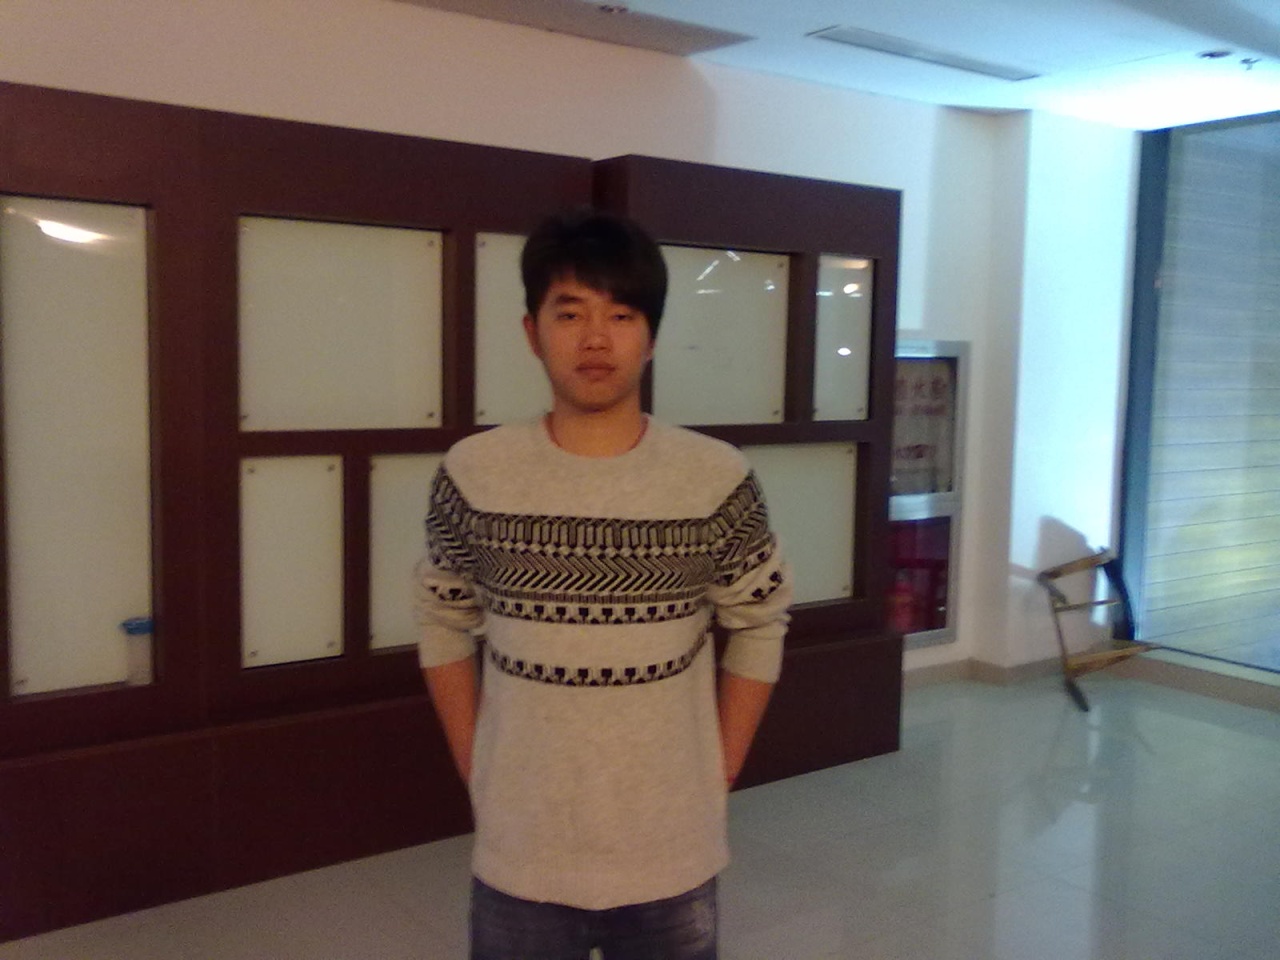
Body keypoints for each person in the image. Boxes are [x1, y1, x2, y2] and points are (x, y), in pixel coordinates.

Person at [415, 208, 792, 960]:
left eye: (621, 315)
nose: (595, 339)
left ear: (651, 336)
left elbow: (760, 620)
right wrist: (477, 768)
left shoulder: (714, 478)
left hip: (673, 855)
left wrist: (716, 771)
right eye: (570, 313)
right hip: (520, 852)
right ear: (532, 332)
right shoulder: (474, 474)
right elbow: (442, 618)